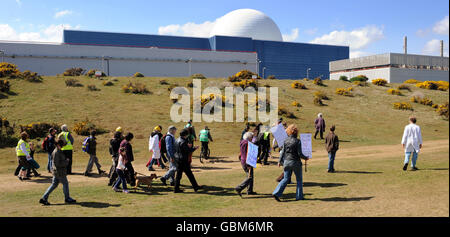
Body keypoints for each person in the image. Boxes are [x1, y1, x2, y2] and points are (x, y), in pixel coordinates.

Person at [272, 124, 309, 202]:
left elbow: (282, 152)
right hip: (295, 162)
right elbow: (299, 154)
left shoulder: (285, 141)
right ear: (296, 132)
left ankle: (276, 192)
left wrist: (279, 161)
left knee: (285, 178)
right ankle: (299, 196)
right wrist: (306, 157)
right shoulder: (298, 141)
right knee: (299, 180)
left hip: (286, 162)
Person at [39, 139, 76, 205]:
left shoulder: (58, 151)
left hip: (57, 172)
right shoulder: (57, 152)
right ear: (59, 145)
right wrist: (66, 161)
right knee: (65, 184)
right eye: (62, 145)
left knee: (54, 185)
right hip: (59, 172)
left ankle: (44, 198)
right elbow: (57, 164)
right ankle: (67, 198)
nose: (63, 146)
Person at [173, 128, 201, 193]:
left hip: (177, 159)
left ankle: (176, 188)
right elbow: (188, 151)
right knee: (189, 174)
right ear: (185, 135)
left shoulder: (177, 140)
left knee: (178, 175)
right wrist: (194, 148)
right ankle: (195, 187)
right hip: (183, 160)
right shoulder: (183, 141)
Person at [235, 131, 257, 196]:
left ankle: (249, 191)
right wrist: (249, 165)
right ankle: (239, 188)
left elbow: (241, 153)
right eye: (252, 137)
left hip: (244, 161)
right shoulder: (247, 144)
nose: (252, 138)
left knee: (250, 176)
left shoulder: (242, 142)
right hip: (247, 162)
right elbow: (247, 154)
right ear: (249, 137)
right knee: (250, 177)